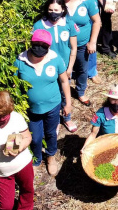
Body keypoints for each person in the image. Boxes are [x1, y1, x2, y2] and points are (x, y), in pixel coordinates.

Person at [13, 29, 73, 176]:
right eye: (36, 44)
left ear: (49, 47)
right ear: (31, 43)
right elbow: (14, 85)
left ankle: (51, 156)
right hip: (31, 109)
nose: (39, 48)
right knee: (35, 136)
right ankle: (37, 159)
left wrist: (68, 103)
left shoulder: (55, 59)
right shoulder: (20, 61)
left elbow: (64, 81)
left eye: (43, 46)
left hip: (53, 105)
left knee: (51, 133)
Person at [33, 0, 79, 131]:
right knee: (53, 95)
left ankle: (67, 118)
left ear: (63, 10)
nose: (53, 13)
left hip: (64, 67)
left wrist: (70, 67)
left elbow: (74, 48)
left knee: (65, 93)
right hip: (47, 67)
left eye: (57, 10)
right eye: (51, 10)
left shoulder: (69, 24)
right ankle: (54, 122)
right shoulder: (39, 25)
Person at [62, 0, 100, 113]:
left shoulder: (87, 1)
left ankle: (80, 92)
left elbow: (97, 21)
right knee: (64, 70)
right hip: (64, 45)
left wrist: (93, 41)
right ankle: (64, 94)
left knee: (82, 69)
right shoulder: (59, 0)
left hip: (82, 44)